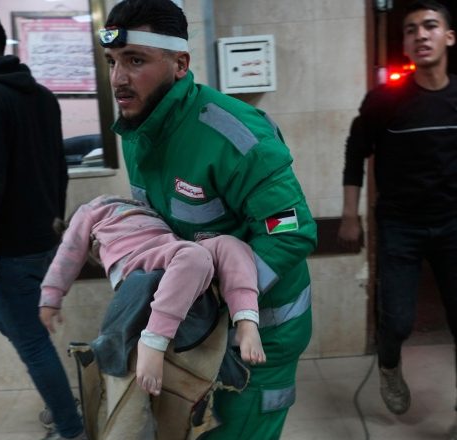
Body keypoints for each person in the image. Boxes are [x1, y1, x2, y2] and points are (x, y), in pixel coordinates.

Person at [98, 1, 317, 438]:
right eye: (112, 61)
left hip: (261, 333)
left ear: (180, 64)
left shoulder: (236, 136)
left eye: (135, 60)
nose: (119, 78)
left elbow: (290, 231)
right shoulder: (137, 133)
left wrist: (210, 296)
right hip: (197, 327)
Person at [338, 0, 457, 435]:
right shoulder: (384, 101)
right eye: (411, 29)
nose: (421, 34)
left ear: (449, 37)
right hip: (400, 226)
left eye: (431, 26)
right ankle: (389, 364)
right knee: (398, 319)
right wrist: (350, 214)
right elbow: (355, 153)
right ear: (405, 44)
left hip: (453, 225)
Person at [0, 8, 86, 440]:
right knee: (6, 317)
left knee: (31, 340)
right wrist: (56, 222)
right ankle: (63, 404)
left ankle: (70, 427)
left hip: (12, 247)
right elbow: (60, 169)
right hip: (43, 239)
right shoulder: (41, 96)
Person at [39, 194, 266, 396]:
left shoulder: (90, 210)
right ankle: (153, 341)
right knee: (195, 256)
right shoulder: (117, 217)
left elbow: (69, 251)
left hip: (173, 250)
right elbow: (71, 254)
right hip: (140, 257)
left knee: (230, 244)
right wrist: (52, 296)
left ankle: (246, 320)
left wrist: (50, 296)